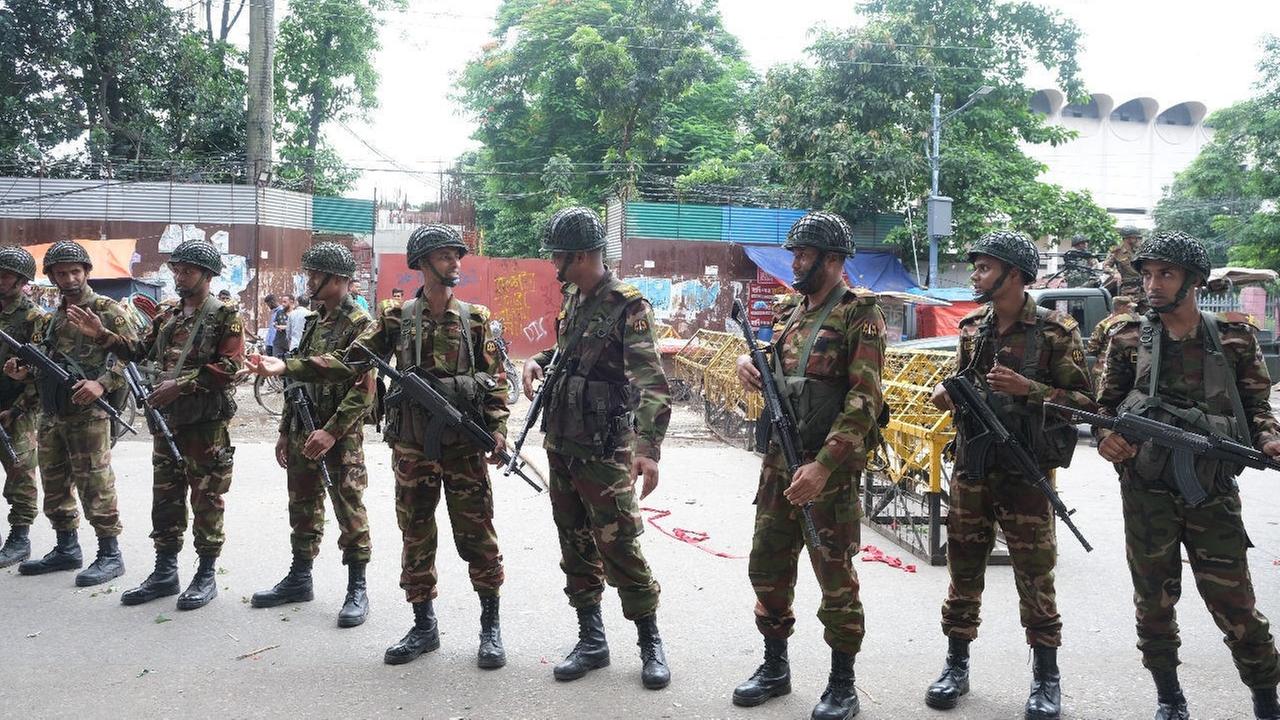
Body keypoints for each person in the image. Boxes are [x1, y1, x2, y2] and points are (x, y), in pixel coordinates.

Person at [1095, 231, 1280, 720]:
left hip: (1211, 492)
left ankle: (1266, 698)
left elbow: (1257, 407)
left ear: (1194, 281)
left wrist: (1268, 439)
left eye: (1166, 274)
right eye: (1149, 274)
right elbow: (1106, 410)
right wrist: (1108, 442)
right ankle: (1169, 698)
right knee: (1154, 605)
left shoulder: (1235, 338)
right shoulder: (1128, 338)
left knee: (1235, 603)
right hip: (1146, 492)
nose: (1153, 284)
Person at [927, 230, 1094, 720]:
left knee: (1035, 576)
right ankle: (955, 666)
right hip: (973, 468)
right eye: (976, 267)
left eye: (984, 267)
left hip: (1024, 471)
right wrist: (949, 394)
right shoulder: (972, 327)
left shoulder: (1055, 331)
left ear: (1014, 274)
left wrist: (1029, 389)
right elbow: (961, 384)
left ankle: (1046, 679)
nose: (976, 275)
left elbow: (1087, 404)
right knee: (963, 571)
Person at [731, 212, 885, 720]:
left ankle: (843, 685)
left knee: (835, 575)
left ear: (833, 260)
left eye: (804, 254)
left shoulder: (859, 314)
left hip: (828, 472)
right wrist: (750, 366)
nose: (795, 262)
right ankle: (775, 668)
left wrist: (822, 467)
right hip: (780, 463)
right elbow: (782, 372)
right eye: (795, 253)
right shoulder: (793, 313)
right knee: (768, 567)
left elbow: (863, 401)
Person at [521, 206, 673, 690]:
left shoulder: (628, 306)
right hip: (562, 443)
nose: (555, 265)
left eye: (560, 257)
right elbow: (568, 352)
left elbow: (651, 382)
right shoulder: (575, 301)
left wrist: (648, 449)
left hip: (605, 452)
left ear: (584, 255)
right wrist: (537, 361)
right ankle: (592, 639)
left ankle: (650, 642)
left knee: (619, 545)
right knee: (575, 544)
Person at [69, 239, 244, 611]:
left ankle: (206, 574)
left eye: (188, 271)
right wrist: (101, 334)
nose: (180, 277)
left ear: (208, 275)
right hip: (168, 424)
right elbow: (137, 351)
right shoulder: (167, 316)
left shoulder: (224, 314)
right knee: (165, 499)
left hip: (204, 426)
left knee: (207, 498)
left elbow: (231, 369)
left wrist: (179, 385)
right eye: (176, 270)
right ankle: (165, 571)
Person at [243, 242, 374, 627]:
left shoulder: (362, 325)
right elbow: (297, 379)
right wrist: (286, 430)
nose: (310, 281)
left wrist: (332, 432)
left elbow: (364, 390)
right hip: (303, 427)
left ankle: (357, 588)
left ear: (339, 280)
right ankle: (300, 577)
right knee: (302, 505)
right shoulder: (315, 321)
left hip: (339, 435)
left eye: (316, 275)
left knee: (348, 507)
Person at [5, 240, 134, 586]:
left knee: (95, 483)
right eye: (61, 273)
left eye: (75, 271)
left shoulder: (108, 310)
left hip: (88, 414)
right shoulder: (53, 317)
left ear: (87, 272)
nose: (69, 279)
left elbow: (135, 354)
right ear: (51, 276)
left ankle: (110, 554)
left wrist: (103, 384)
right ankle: (66, 548)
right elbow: (49, 361)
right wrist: (24, 370)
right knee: (55, 483)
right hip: (52, 412)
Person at [0, 246, 47, 568]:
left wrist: (18, 408)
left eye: (5, 276)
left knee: (20, 473)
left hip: (15, 409)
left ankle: (19, 537)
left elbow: (42, 370)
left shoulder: (34, 318)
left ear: (21, 281)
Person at [1085, 296, 1136, 388]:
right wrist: (1103, 356)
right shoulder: (1104, 325)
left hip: (1125, 370)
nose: (1131, 310)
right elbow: (1092, 347)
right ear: (1120, 307)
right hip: (1106, 371)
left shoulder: (1131, 323)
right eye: (1128, 307)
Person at [1102, 226, 1146, 308]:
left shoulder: (1140, 250)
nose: (1137, 240)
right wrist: (1115, 272)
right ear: (1128, 238)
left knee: (1149, 317)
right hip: (1128, 291)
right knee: (1127, 316)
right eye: (1135, 237)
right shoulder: (1117, 252)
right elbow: (1105, 266)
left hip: (1143, 290)